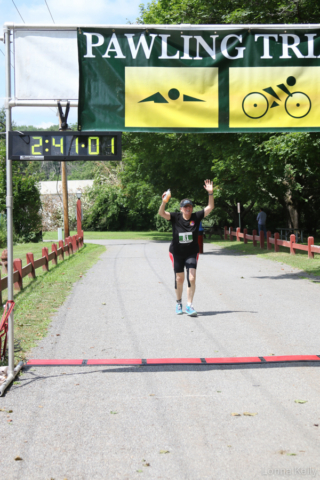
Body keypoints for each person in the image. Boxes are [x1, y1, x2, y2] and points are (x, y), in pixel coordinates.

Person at [158, 180, 214, 316]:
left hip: (191, 253)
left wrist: (210, 193)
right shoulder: (175, 217)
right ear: (181, 208)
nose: (188, 209)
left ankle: (189, 305)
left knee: (192, 278)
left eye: (190, 207)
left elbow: (210, 207)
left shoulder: (196, 217)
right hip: (176, 253)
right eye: (185, 207)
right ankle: (178, 302)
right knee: (179, 278)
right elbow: (161, 213)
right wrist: (164, 201)